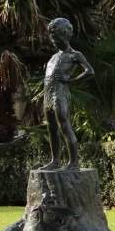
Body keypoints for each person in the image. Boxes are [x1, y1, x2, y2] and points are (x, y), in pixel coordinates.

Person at [41, 18, 94, 171]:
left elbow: (89, 71)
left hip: (60, 95)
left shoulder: (74, 55)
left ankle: (73, 163)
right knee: (51, 128)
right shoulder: (54, 57)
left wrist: (70, 80)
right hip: (48, 96)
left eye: (56, 37)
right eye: (51, 37)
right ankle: (55, 161)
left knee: (64, 126)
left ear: (65, 35)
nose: (53, 40)